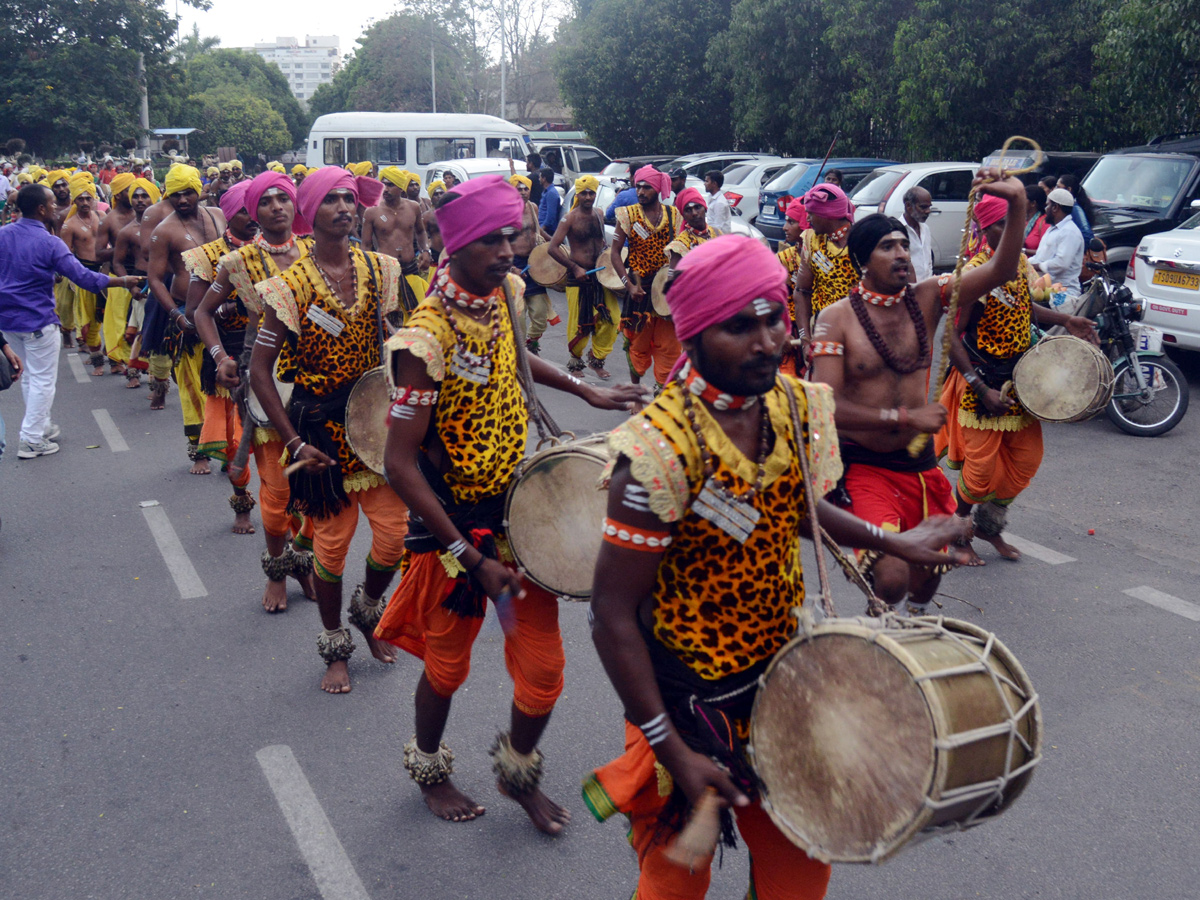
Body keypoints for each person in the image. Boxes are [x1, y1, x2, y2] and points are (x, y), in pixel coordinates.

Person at [585, 234, 968, 900]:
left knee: (800, 877)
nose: (766, 341)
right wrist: (670, 748)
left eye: (772, 319)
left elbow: (796, 506)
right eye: (740, 325)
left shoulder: (794, 405)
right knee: (674, 881)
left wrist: (895, 541)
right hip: (684, 698)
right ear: (697, 334)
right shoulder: (654, 454)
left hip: (781, 682)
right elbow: (610, 615)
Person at [373, 175, 645, 832]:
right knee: (447, 666)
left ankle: (516, 768)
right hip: (452, 532)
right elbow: (398, 463)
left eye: (511, 237)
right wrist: (467, 557)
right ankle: (431, 769)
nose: (507, 251)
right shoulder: (423, 338)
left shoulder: (507, 293)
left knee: (545, 671)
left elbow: (514, 355)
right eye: (492, 241)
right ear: (459, 244)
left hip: (518, 520)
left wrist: (585, 389)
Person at [809, 170, 1028, 613]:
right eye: (887, 246)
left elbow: (1002, 269)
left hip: (920, 467)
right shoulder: (836, 319)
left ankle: (905, 631)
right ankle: (882, 639)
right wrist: (906, 419)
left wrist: (1018, 202)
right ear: (861, 262)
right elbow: (824, 405)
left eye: (904, 245)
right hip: (865, 468)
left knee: (925, 582)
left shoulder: (928, 297)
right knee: (891, 576)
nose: (901, 253)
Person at [251, 166, 408, 694]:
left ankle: (367, 610)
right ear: (309, 213)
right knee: (331, 547)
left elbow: (398, 339)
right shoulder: (288, 285)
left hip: (373, 425)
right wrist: (293, 443)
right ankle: (335, 644)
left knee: (396, 536)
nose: (345, 206)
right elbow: (258, 371)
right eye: (332, 199)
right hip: (318, 433)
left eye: (349, 198)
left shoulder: (383, 269)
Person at [935, 194, 1099, 565]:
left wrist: (1065, 320)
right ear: (984, 229)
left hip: (1018, 381)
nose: (1013, 234)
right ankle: (958, 537)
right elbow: (951, 336)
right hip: (982, 384)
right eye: (1002, 226)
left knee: (1026, 460)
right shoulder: (975, 273)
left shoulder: (1021, 263)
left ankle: (990, 528)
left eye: (1015, 225)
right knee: (980, 472)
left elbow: (1025, 307)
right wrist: (980, 387)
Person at [192, 170, 318, 613]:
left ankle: (304, 560)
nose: (277, 208)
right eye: (266, 202)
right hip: (264, 384)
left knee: (314, 487)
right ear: (252, 212)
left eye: (283, 199)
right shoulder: (238, 262)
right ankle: (278, 570)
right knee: (278, 490)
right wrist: (220, 358)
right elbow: (202, 312)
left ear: (296, 205)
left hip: (319, 385)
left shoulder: (318, 254)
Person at [0, 184, 142, 458]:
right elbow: (85, 278)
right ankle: (31, 440)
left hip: (8, 321)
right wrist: (122, 280)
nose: (56, 207)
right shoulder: (49, 242)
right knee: (41, 380)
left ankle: (40, 427)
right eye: (52, 203)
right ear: (41, 209)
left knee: (30, 377)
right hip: (37, 319)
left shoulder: (3, 235)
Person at [180, 180, 259, 497]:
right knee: (235, 438)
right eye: (244, 210)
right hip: (226, 351)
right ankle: (241, 500)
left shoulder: (279, 251)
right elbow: (193, 313)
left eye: (254, 208)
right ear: (228, 215)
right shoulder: (207, 256)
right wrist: (229, 307)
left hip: (269, 350)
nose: (252, 216)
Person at [147, 164, 227, 458]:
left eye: (188, 194)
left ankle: (227, 444)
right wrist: (176, 316)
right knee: (193, 385)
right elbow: (154, 279)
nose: (182, 200)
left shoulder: (217, 215)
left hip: (226, 309)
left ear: (199, 191)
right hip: (187, 313)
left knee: (226, 379)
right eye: (176, 195)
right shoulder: (163, 231)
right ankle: (197, 447)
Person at [610, 166, 683, 388]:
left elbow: (678, 251)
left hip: (664, 290)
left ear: (658, 189)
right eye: (638, 186)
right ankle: (635, 392)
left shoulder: (673, 215)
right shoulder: (627, 214)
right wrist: (628, 285)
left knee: (669, 346)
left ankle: (662, 390)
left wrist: (671, 279)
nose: (640, 191)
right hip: (638, 290)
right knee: (636, 343)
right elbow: (614, 253)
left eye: (646, 187)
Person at [548, 174, 620, 378]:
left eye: (591, 192)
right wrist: (575, 268)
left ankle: (596, 359)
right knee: (580, 323)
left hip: (600, 276)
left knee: (612, 318)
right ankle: (576, 363)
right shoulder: (569, 218)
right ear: (577, 195)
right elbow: (552, 248)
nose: (588, 196)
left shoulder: (598, 213)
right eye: (584, 193)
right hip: (577, 277)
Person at [792, 182, 857, 355]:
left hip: (860, 340)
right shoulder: (812, 241)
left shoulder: (862, 242)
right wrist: (805, 340)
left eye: (811, 214)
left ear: (829, 214)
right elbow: (801, 291)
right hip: (822, 338)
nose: (807, 220)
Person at [111, 177, 160, 389]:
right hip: (142, 284)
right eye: (136, 197)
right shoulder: (128, 231)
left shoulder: (168, 225)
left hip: (166, 282)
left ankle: (159, 379)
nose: (140, 200)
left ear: (153, 198)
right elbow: (118, 263)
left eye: (144, 196)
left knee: (163, 332)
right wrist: (131, 286)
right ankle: (135, 372)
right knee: (143, 331)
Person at [363, 167, 432, 314]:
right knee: (388, 317)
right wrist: (368, 272)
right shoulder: (372, 212)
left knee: (419, 314)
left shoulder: (413, 207)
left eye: (390, 185)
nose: (385, 189)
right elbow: (366, 246)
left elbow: (420, 232)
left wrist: (425, 250)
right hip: (385, 272)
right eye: (383, 185)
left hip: (410, 269)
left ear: (400, 187)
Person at [59, 175, 108, 375]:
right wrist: (73, 278)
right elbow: (66, 255)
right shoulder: (69, 225)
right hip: (85, 274)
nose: (85, 203)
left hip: (106, 272)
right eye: (81, 199)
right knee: (90, 321)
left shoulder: (102, 217)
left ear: (94, 199)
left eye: (88, 198)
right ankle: (97, 361)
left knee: (112, 318)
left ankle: (114, 357)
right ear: (75, 200)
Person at [96, 172, 138, 376]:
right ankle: (120, 361)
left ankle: (138, 363)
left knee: (139, 323)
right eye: (130, 190)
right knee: (120, 322)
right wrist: (122, 248)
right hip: (120, 277)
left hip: (143, 275)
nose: (136, 195)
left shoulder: (145, 214)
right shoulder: (109, 220)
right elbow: (99, 253)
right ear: (119, 194)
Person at [507, 173, 553, 354]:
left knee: (540, 316)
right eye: (519, 189)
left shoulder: (533, 207)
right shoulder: (506, 212)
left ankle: (530, 343)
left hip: (533, 264)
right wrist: (512, 267)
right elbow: (501, 242)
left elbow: (538, 230)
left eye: (526, 188)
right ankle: (521, 355)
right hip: (513, 266)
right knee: (518, 317)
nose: (523, 192)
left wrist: (555, 244)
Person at [1029, 188, 1084, 301]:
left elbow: (1061, 263)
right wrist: (1022, 262)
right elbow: (1040, 257)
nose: (1045, 209)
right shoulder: (1052, 229)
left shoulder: (1069, 232)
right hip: (1045, 290)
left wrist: (1037, 266)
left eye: (1048, 205)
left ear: (1055, 208)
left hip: (1063, 294)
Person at [663, 187, 718, 268]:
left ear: (705, 209)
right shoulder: (680, 245)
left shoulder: (716, 233)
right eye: (688, 210)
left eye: (697, 207)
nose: (694, 213)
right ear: (683, 216)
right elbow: (673, 279)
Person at [902, 186, 934, 282]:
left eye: (929, 207)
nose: (928, 211)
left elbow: (928, 261)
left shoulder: (925, 229)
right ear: (908, 206)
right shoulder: (899, 231)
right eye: (923, 207)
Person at [1056, 173, 1095, 245]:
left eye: (1058, 187)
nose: (1055, 190)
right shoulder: (1064, 206)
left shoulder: (1075, 208)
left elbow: (1087, 235)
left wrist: (1074, 250)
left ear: (1068, 189)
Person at [1023, 184, 1049, 253]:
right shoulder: (1023, 220)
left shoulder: (1044, 223)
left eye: (1023, 198)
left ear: (1033, 204)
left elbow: (1046, 252)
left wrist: (1023, 251)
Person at [536, 167, 562, 233]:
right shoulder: (547, 191)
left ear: (544, 179)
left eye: (540, 177)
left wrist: (541, 230)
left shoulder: (551, 193)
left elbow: (550, 216)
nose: (539, 179)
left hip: (547, 231)